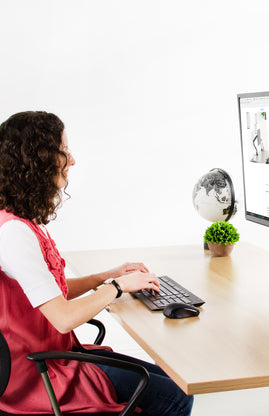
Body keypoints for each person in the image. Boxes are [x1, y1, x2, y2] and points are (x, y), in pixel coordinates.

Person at [0, 111, 193, 416]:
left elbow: (50, 291)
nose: (72, 160)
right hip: (40, 377)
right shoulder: (14, 234)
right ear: (39, 161)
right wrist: (118, 287)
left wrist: (106, 276)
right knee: (175, 397)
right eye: (64, 151)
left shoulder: (22, 220)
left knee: (176, 382)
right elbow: (62, 318)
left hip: (56, 358)